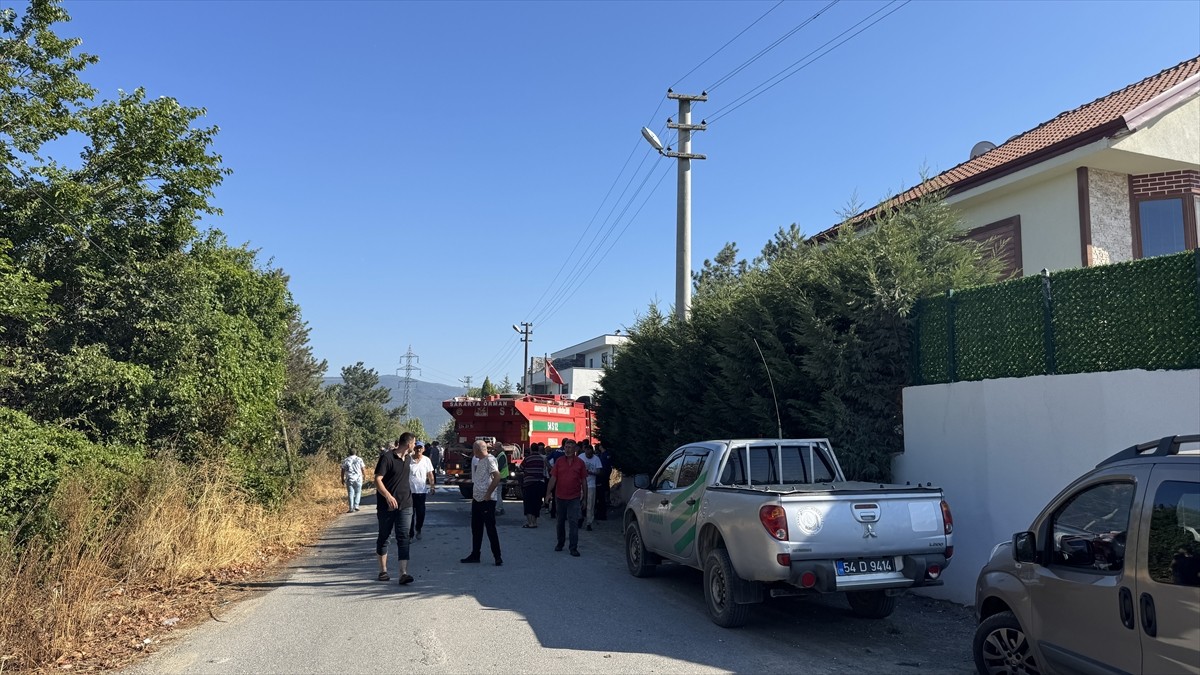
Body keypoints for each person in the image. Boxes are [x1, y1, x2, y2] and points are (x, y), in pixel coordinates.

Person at [375, 433, 416, 585]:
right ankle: (383, 570)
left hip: (405, 504)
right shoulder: (387, 458)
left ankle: (403, 573)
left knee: (403, 537)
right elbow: (377, 479)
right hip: (387, 506)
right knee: (384, 537)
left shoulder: (408, 459)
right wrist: (387, 496)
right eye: (414, 443)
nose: (414, 446)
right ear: (409, 444)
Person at [462, 440, 503, 566]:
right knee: (476, 528)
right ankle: (475, 554)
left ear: (478, 450)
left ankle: (497, 556)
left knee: (490, 528)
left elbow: (497, 476)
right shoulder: (479, 460)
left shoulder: (490, 460)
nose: (473, 452)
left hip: (487, 500)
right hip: (477, 499)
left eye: (474, 449)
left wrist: (488, 494)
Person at [545, 438, 587, 557]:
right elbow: (553, 478)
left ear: (575, 449)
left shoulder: (580, 463)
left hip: (574, 497)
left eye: (570, 448)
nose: (567, 450)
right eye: (566, 447)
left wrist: (585, 498)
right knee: (560, 522)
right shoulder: (559, 462)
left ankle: (573, 547)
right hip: (560, 496)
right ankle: (560, 542)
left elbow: (584, 481)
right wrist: (548, 493)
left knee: (573, 522)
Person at [409, 440, 436, 540]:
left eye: (420, 448)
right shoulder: (408, 459)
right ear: (414, 448)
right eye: (416, 448)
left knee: (421, 513)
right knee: (410, 514)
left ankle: (418, 528)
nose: (418, 450)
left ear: (423, 449)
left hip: (421, 491)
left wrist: (432, 486)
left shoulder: (426, 460)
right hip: (409, 491)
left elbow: (430, 474)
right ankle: (410, 534)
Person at [520, 443, 547, 528]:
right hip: (539, 483)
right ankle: (535, 522)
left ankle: (530, 523)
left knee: (528, 504)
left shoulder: (528, 458)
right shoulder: (542, 459)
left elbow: (521, 468)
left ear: (531, 449)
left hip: (529, 484)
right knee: (536, 503)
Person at [578, 442, 602, 531]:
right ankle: (580, 517)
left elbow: (599, 471)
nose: (589, 455)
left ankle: (589, 522)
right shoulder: (580, 457)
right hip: (580, 483)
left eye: (590, 454)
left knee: (590, 504)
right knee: (578, 502)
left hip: (591, 484)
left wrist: (592, 472)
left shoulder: (596, 459)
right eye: (587, 454)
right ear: (585, 451)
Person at [340, 448, 366, 513]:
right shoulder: (359, 459)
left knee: (350, 493)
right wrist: (364, 476)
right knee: (358, 492)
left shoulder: (345, 460)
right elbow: (363, 468)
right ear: (356, 452)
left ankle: (351, 508)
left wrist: (342, 478)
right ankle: (356, 506)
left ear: (349, 453)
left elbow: (343, 470)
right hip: (358, 478)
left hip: (349, 478)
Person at [546, 442, 565, 518]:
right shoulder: (567, 452)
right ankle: (562, 513)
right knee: (563, 495)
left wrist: (551, 468)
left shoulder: (556, 451)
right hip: (564, 476)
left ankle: (553, 512)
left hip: (555, 475)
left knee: (554, 495)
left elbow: (546, 459)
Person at [595, 443, 612, 521]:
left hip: (601, 478)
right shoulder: (605, 454)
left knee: (600, 497)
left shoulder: (603, 456)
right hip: (604, 477)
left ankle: (601, 514)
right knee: (602, 496)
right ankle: (601, 513)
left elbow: (602, 468)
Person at [492, 442, 509, 516]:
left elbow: (498, 467)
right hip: (500, 477)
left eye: (496, 447)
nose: (494, 449)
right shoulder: (500, 455)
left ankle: (498, 509)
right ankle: (500, 508)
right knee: (498, 493)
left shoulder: (501, 456)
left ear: (499, 447)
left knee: (497, 494)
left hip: (500, 477)